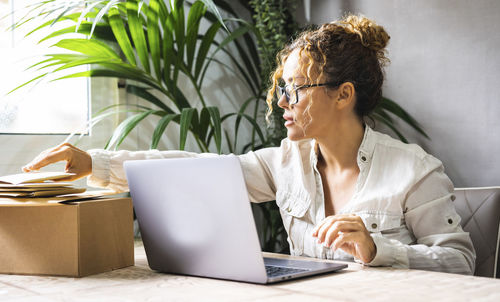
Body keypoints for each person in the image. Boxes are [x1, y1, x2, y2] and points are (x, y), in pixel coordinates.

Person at [23, 15, 475, 274]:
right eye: (283, 87)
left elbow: (461, 261)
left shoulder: (414, 170)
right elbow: (192, 167)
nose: (283, 100)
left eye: (297, 88)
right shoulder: (283, 163)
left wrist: (380, 250)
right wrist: (95, 162)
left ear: (343, 94)